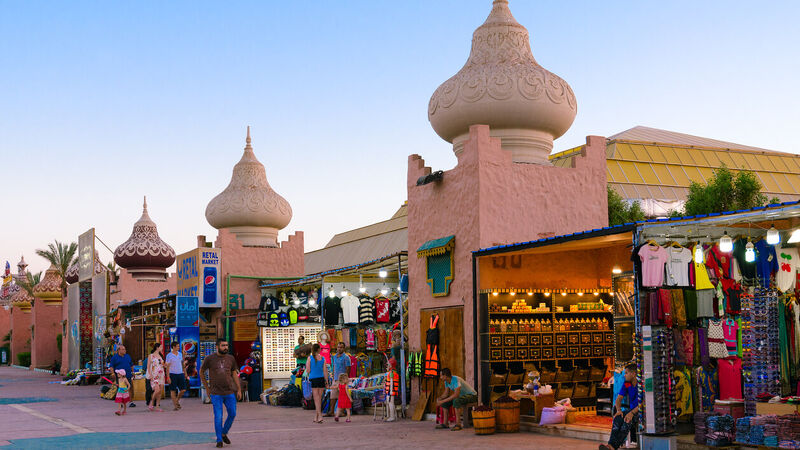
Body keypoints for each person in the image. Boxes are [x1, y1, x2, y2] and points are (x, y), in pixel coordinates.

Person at [200, 339, 241, 448]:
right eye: (223, 345)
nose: (225, 347)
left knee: (232, 414)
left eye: (227, 345)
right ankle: (219, 440)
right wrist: (207, 388)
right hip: (215, 393)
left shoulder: (231, 358)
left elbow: (234, 374)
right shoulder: (209, 359)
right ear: (217, 347)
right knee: (218, 416)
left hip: (229, 392)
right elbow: (201, 371)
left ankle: (224, 433)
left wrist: (239, 389)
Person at [600, 364, 640, 450]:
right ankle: (611, 445)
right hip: (630, 411)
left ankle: (613, 447)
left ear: (633, 374)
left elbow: (643, 403)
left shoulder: (641, 385)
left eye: (626, 373)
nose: (624, 375)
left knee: (627, 421)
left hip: (640, 412)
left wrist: (632, 413)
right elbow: (618, 399)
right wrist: (618, 410)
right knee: (618, 417)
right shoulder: (627, 384)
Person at [306, 343, 329, 424]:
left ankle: (319, 416)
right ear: (319, 349)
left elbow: (308, 370)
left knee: (316, 399)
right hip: (321, 379)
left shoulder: (310, 358)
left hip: (314, 379)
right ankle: (316, 416)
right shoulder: (323, 358)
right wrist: (326, 381)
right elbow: (325, 371)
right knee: (319, 398)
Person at [327, 342, 351, 416]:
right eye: (338, 347)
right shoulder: (334, 357)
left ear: (344, 348)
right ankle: (331, 411)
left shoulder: (346, 357)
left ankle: (342, 412)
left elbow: (348, 369)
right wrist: (333, 377)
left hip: (342, 380)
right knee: (333, 396)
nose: (339, 349)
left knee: (342, 396)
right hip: (335, 379)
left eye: (341, 347)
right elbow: (334, 367)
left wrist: (345, 380)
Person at [165, 341, 188, 411]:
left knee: (183, 390)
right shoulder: (169, 356)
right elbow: (167, 367)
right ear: (174, 347)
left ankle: (177, 400)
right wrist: (168, 377)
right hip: (172, 374)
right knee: (173, 390)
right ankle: (175, 406)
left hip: (180, 373)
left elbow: (182, 363)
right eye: (177, 346)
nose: (178, 347)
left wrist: (185, 373)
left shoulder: (180, 354)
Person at [146, 342, 166, 412]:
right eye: (161, 347)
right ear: (157, 347)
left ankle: (157, 406)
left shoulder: (161, 356)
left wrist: (166, 365)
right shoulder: (151, 356)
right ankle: (151, 402)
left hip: (161, 374)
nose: (162, 348)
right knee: (157, 390)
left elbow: (163, 365)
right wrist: (150, 374)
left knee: (160, 391)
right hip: (154, 374)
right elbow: (148, 366)